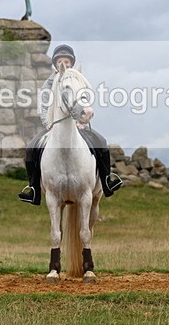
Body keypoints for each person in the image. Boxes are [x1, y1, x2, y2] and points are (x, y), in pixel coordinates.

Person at [18, 44, 123, 205]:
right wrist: (48, 123)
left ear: (71, 63)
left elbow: (83, 102)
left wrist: (82, 121)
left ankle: (107, 180)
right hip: (54, 126)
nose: (64, 64)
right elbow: (44, 105)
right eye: (60, 61)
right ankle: (33, 189)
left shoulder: (77, 80)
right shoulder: (49, 83)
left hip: (78, 126)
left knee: (101, 142)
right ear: (55, 64)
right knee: (32, 148)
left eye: (67, 61)